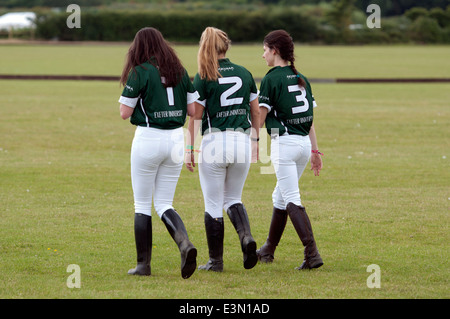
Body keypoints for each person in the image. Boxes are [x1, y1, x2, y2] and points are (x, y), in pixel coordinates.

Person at [118, 27, 199, 279]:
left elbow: (124, 112)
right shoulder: (179, 70)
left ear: (139, 46)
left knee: (142, 204)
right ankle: (184, 243)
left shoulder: (139, 71)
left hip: (149, 138)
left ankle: (143, 266)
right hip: (176, 139)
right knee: (164, 203)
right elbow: (194, 109)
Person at [185, 27, 260, 272]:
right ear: (226, 46)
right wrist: (256, 141)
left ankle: (216, 261)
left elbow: (195, 116)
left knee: (213, 204)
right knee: (234, 199)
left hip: (214, 143)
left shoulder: (204, 75)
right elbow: (256, 111)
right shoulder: (244, 72)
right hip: (242, 142)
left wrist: (189, 149)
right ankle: (246, 238)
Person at [256, 30, 324, 270]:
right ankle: (268, 249)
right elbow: (310, 119)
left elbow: (261, 119)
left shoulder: (271, 78)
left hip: (284, 144)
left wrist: (252, 140)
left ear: (275, 50)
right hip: (304, 145)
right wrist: (315, 151)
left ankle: (312, 254)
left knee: (292, 198)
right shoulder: (300, 76)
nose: (262, 55)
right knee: (280, 196)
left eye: (265, 50)